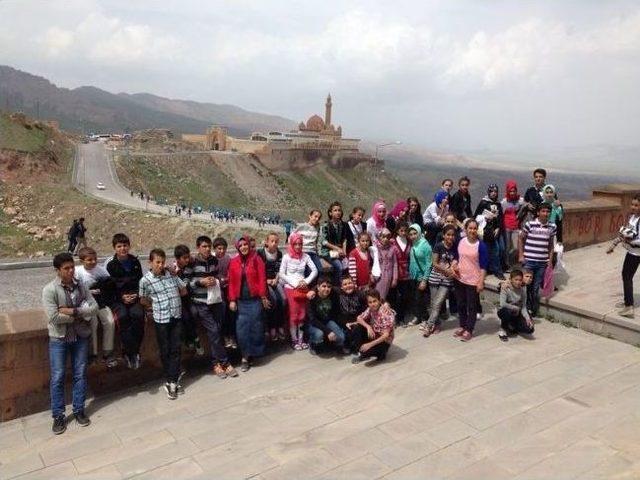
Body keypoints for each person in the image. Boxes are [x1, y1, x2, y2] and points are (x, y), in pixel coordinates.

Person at [43, 252, 98, 434]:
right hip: (59, 338)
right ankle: (58, 415)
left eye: (72, 267)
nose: (70, 271)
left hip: (80, 336)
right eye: (66, 268)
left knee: (80, 373)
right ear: (58, 271)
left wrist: (72, 312)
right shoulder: (50, 290)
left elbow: (94, 307)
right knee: (58, 377)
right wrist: (80, 313)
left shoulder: (81, 285)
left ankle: (79, 410)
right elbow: (53, 317)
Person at [186, 235, 237, 379]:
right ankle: (224, 363)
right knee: (214, 331)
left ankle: (217, 363)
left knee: (217, 332)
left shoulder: (215, 260)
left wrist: (216, 280)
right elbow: (186, 282)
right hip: (201, 303)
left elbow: (217, 276)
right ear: (198, 247)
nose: (207, 249)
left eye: (209, 246)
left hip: (216, 300)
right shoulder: (192, 262)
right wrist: (200, 282)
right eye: (204, 246)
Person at [139, 249, 187, 400]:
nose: (160, 265)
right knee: (165, 349)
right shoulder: (145, 280)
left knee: (176, 348)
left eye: (162, 262)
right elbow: (143, 299)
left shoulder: (170, 275)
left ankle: (172, 380)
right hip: (161, 319)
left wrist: (174, 275)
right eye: (157, 262)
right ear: (150, 263)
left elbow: (184, 291)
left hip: (176, 315)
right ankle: (171, 380)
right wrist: (155, 304)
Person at [228, 236, 270, 372]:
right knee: (242, 330)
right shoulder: (234, 262)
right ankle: (245, 357)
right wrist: (232, 299)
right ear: (237, 248)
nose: (243, 247)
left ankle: (253, 353)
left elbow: (262, 279)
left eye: (245, 244)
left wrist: (263, 297)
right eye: (240, 246)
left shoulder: (257, 259)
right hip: (241, 301)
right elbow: (232, 282)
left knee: (256, 328)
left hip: (255, 300)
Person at [106, 233, 145, 369]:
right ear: (114, 248)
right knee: (122, 317)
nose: (123, 248)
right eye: (119, 246)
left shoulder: (135, 262)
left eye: (125, 245)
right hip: (118, 299)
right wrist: (122, 297)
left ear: (129, 246)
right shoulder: (111, 265)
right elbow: (111, 286)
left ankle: (133, 351)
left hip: (134, 297)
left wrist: (135, 295)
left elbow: (140, 281)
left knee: (138, 316)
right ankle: (129, 352)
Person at [75, 247, 116, 367]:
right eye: (89, 260)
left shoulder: (101, 271)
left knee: (109, 321)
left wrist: (101, 290)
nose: (93, 262)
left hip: (101, 302)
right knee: (93, 323)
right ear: (82, 261)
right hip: (86, 303)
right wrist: (89, 292)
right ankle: (92, 353)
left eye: (95, 259)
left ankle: (108, 352)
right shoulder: (78, 272)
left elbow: (110, 285)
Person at [279, 232, 318, 350]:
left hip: (303, 288)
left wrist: (305, 281)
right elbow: (281, 273)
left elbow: (315, 270)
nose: (298, 246)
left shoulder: (306, 256)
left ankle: (301, 339)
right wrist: (294, 283)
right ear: (291, 244)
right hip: (291, 288)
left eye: (300, 244)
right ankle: (294, 339)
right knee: (293, 315)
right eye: (295, 244)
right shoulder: (286, 257)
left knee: (302, 314)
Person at [518, 202, 556, 317]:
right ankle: (523, 307)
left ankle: (532, 309)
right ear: (538, 212)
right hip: (529, 260)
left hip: (541, 262)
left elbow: (550, 245)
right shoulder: (530, 224)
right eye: (543, 211)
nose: (546, 213)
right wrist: (521, 255)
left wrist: (549, 261)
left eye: (548, 211)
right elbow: (521, 239)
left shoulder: (552, 226)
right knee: (525, 285)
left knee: (535, 287)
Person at [454, 219, 488, 342]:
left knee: (471, 306)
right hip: (460, 279)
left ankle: (469, 329)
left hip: (473, 281)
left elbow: (484, 266)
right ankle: (462, 326)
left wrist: (481, 282)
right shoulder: (461, 241)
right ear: (466, 229)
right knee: (461, 304)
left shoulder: (481, 246)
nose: (472, 231)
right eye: (470, 228)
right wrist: (454, 264)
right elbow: (457, 257)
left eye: (474, 228)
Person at [607, 195, 640, 318]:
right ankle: (628, 301)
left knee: (627, 277)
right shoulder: (632, 218)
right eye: (632, 204)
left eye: (636, 205)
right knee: (626, 276)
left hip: (635, 253)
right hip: (631, 252)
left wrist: (629, 242)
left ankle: (629, 307)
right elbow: (624, 234)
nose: (633, 207)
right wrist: (614, 244)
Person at [422, 225, 458, 337]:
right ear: (444, 235)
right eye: (448, 234)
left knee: (438, 303)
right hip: (435, 278)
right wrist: (447, 270)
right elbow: (435, 263)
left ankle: (429, 325)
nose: (450, 237)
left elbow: (455, 262)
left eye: (452, 235)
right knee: (434, 304)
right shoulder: (438, 246)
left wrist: (452, 269)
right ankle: (436, 324)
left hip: (447, 280)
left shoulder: (455, 247)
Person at [172, 244, 203, 356]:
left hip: (188, 297)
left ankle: (193, 339)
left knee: (194, 313)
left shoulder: (191, 264)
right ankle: (193, 339)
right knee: (183, 317)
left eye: (188, 257)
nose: (187, 259)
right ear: (177, 259)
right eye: (184, 258)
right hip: (178, 299)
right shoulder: (173, 270)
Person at [348, 289, 395, 364]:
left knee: (367, 351)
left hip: (384, 342)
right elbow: (359, 318)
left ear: (379, 301)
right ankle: (363, 351)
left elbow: (386, 335)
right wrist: (368, 327)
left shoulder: (385, 313)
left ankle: (380, 354)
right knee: (357, 327)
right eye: (370, 302)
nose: (373, 304)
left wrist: (369, 344)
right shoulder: (370, 309)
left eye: (374, 301)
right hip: (375, 334)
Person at [307, 276, 348, 355]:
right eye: (324, 286)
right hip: (314, 323)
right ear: (318, 287)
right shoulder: (312, 298)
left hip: (327, 321)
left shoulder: (333, 293)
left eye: (329, 287)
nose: (326, 289)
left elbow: (344, 288)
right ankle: (313, 344)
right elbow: (313, 319)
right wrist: (328, 331)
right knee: (319, 334)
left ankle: (334, 345)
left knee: (341, 337)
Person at [257, 232, 286, 342]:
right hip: (264, 281)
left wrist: (276, 279)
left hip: (275, 280)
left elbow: (279, 269)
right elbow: (258, 271)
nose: (274, 243)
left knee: (283, 300)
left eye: (276, 241)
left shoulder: (279, 253)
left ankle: (280, 325)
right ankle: (272, 327)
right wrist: (266, 281)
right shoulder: (260, 253)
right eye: (272, 241)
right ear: (267, 242)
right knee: (273, 300)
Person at [474, 184, 505, 280]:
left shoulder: (498, 204)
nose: (494, 193)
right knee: (486, 251)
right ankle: (485, 270)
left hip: (495, 231)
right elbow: (476, 216)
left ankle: (497, 270)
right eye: (492, 191)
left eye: (495, 192)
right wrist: (485, 218)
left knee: (499, 250)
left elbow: (500, 218)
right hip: (485, 231)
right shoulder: (484, 202)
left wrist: (498, 228)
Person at [498, 269, 534, 341]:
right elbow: (502, 304)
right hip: (505, 310)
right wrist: (515, 308)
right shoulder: (506, 287)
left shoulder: (523, 289)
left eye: (520, 280)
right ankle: (503, 329)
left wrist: (527, 318)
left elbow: (523, 306)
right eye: (516, 279)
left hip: (517, 312)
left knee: (530, 329)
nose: (518, 282)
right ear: (511, 280)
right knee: (507, 312)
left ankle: (512, 326)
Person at [407, 223, 432, 326]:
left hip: (421, 277)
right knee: (415, 298)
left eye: (415, 233)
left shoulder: (425, 245)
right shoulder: (414, 244)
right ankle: (418, 317)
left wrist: (424, 280)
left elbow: (429, 264)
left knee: (420, 299)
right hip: (413, 276)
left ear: (419, 233)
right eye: (411, 234)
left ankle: (424, 318)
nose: (413, 236)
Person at [213, 236, 235, 349]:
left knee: (231, 312)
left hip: (228, 289)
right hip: (218, 291)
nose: (221, 251)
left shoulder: (228, 259)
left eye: (223, 249)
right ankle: (226, 336)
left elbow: (231, 273)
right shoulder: (212, 260)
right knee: (222, 312)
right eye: (219, 249)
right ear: (215, 249)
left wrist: (227, 279)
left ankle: (232, 336)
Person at [320, 202, 348, 285]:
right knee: (339, 266)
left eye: (339, 210)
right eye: (335, 210)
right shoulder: (326, 225)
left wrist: (344, 250)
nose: (338, 212)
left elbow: (344, 239)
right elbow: (324, 242)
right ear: (330, 213)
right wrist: (337, 249)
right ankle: (337, 286)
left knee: (348, 265)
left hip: (339, 251)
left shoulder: (342, 225)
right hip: (328, 251)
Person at [390, 221, 412, 326]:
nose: (403, 233)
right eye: (401, 230)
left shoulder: (409, 241)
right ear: (397, 231)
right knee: (394, 297)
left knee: (404, 296)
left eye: (405, 231)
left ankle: (401, 318)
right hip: (395, 272)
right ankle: (394, 318)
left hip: (407, 273)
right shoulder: (392, 242)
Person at [501, 180, 525, 269]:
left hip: (516, 226)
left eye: (514, 191)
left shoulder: (520, 200)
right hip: (507, 226)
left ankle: (517, 261)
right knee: (507, 247)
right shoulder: (504, 202)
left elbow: (523, 209)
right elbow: (501, 214)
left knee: (517, 245)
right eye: (510, 191)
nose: (512, 193)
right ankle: (507, 264)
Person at [294, 209, 323, 275]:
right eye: (315, 216)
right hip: (303, 252)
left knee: (320, 270)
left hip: (313, 252)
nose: (317, 219)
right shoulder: (301, 226)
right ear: (310, 216)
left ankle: (315, 285)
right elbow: (292, 238)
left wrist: (319, 253)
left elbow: (317, 242)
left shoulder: (318, 228)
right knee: (308, 271)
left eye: (319, 218)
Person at [375, 228, 398, 300]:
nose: (385, 239)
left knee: (382, 297)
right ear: (379, 237)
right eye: (383, 237)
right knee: (374, 297)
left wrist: (395, 278)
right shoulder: (375, 248)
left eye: (387, 237)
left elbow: (395, 263)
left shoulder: (392, 248)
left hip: (388, 276)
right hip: (376, 277)